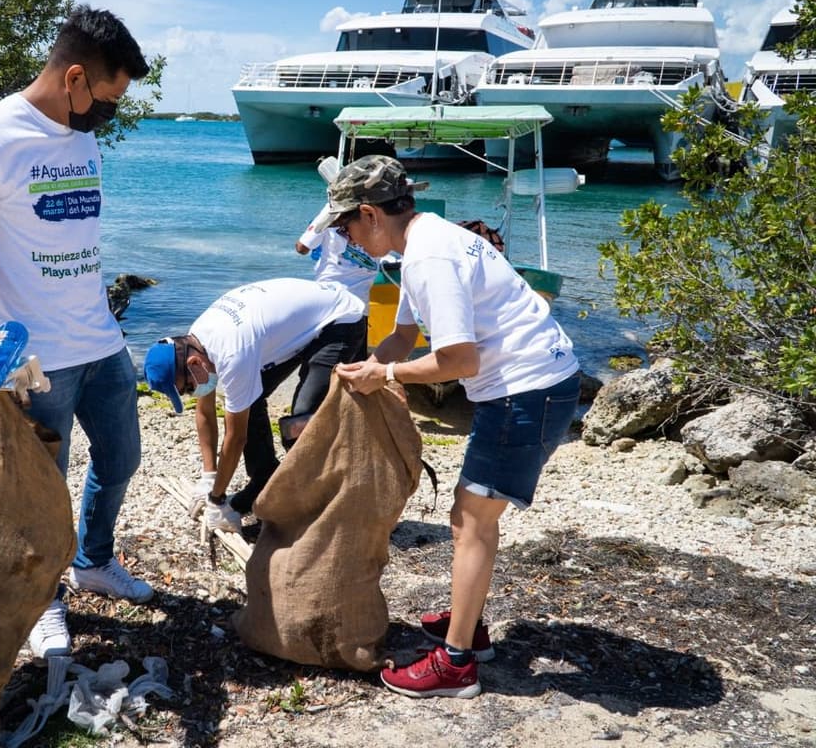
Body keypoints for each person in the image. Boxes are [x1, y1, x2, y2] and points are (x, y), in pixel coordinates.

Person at [0, 6, 152, 663]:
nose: (107, 115)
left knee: (122, 459)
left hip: (101, 342)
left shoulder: (81, 137)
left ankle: (93, 560)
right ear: (77, 77)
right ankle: (42, 602)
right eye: (108, 100)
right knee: (39, 494)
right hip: (33, 357)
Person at [330, 155, 580, 699]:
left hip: (527, 391)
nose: (346, 237)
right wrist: (370, 366)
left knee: (470, 522)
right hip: (530, 383)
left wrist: (389, 374)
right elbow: (403, 337)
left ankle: (458, 662)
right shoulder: (419, 245)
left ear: (370, 214)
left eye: (346, 225)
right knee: (471, 515)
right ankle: (468, 625)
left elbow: (459, 361)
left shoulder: (428, 260)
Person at [143, 278, 366, 534]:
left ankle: (313, 508)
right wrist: (209, 476)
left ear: (194, 364)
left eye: (187, 388)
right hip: (299, 324)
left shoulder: (232, 354)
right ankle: (264, 480)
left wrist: (216, 500)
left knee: (300, 421)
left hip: (340, 320)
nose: (192, 393)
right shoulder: (196, 342)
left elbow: (236, 437)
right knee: (251, 400)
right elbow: (204, 412)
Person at [294, 203, 382, 362]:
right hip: (358, 309)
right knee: (352, 367)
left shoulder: (332, 209)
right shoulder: (379, 213)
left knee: (316, 364)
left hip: (327, 303)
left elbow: (302, 248)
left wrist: (327, 214)